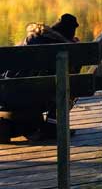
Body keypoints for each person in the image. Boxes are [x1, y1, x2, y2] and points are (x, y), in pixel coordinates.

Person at [0, 13, 80, 141]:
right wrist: (74, 48)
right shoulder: (61, 48)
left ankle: (30, 126)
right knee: (65, 84)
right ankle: (52, 127)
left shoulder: (32, 38)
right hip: (30, 97)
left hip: (4, 95)